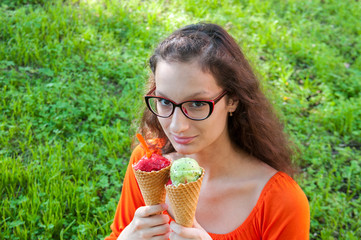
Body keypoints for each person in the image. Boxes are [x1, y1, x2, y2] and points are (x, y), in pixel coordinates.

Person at [105, 23, 310, 240]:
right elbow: (118, 234)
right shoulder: (149, 165)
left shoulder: (281, 202)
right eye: (164, 101)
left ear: (232, 100)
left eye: (196, 104)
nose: (176, 126)